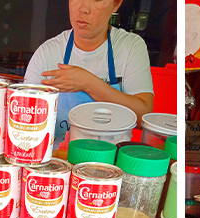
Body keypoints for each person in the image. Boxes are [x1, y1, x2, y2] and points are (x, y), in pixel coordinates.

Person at [24, 0, 154, 147]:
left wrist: (88, 83)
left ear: (116, 4)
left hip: (110, 165)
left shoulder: (129, 47)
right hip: (57, 163)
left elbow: (143, 117)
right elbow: (24, 115)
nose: (83, 9)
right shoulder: (47, 53)